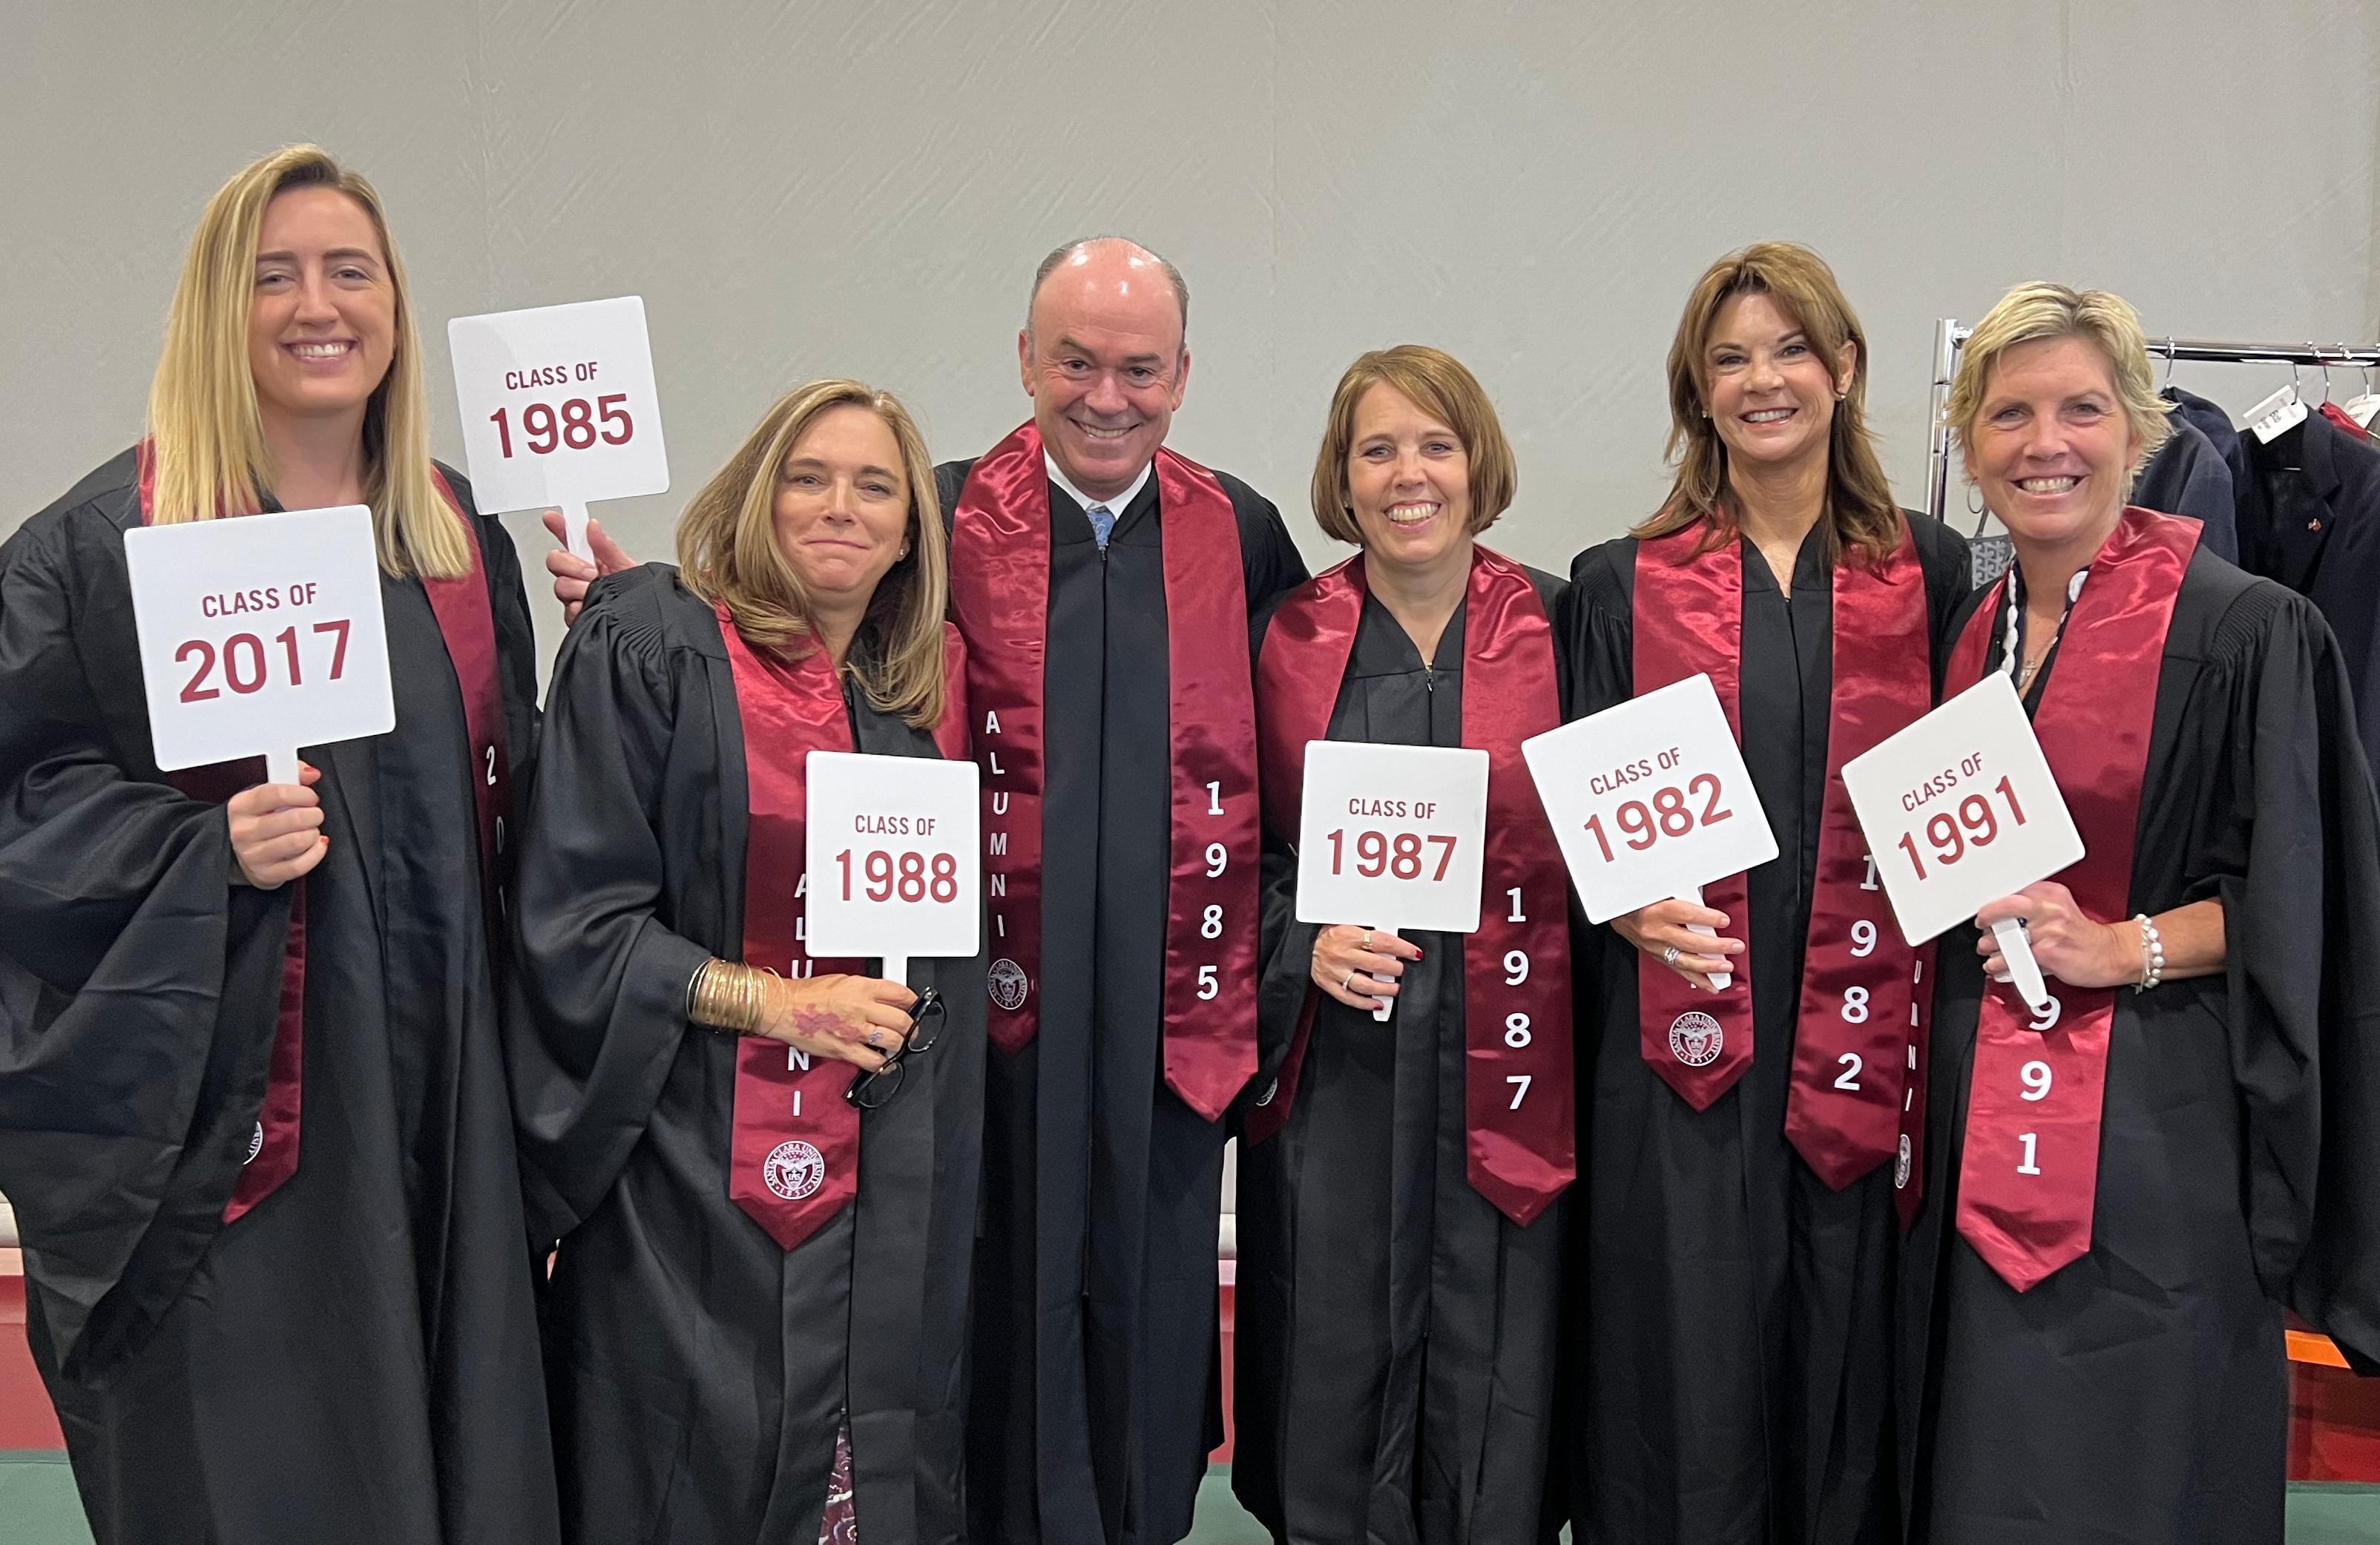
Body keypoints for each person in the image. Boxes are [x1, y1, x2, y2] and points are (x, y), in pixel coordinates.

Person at [0, 145, 555, 1544]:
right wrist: (194, 850)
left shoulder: (454, 539)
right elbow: (19, 798)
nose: (321, 305)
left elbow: (527, 810)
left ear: (393, 306)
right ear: (216, 310)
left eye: (351, 271)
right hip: (241, 1131)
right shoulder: (107, 541)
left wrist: (621, 637)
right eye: (276, 275)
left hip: (445, 1108)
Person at [1898, 283, 2380, 1544]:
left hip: (2155, 1130)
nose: (2044, 443)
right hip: (1974, 1106)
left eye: (2081, 409)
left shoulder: (2250, 629)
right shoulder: (1972, 634)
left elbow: (2310, 899)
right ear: (1968, 438)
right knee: (1986, 1458)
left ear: (2140, 427)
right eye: (2008, 413)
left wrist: (2127, 946)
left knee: (2138, 1454)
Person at [507, 378, 984, 1544]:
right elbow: (577, 923)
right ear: (758, 493)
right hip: (687, 1179)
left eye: (877, 485)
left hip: (880, 1187)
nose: (841, 507)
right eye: (810, 477)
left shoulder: (911, 699)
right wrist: (780, 1004)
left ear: (913, 529)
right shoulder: (657, 644)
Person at [1558, 242, 1970, 1544]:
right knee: (1685, 1342)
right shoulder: (1622, 582)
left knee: (1853, 1331)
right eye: (1730, 358)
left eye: (1792, 349)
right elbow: (1573, 825)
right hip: (1684, 1044)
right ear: (1698, 392)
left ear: (1844, 369)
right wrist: (1619, 903)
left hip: (1870, 1029)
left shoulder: (1936, 570)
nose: (1764, 380)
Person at [941, 237, 1308, 1545]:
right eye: (1078, 362)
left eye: (1139, 369)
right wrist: (626, 598)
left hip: (1168, 1015)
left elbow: (1302, 749)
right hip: (993, 1026)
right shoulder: (938, 520)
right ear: (1026, 361)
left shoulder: (1242, 532)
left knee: (1146, 1311)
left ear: (1185, 375)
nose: (1108, 396)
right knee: (998, 1298)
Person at [1234, 346, 1571, 1543]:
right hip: (1341, 1073)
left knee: (1497, 1364)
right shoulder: (1283, 641)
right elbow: (1224, 855)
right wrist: (1299, 940)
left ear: (1478, 463)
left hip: (1513, 1066)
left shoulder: (1567, 624)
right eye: (1378, 448)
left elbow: (1613, 845)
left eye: (1436, 444)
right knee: (1333, 1340)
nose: (1408, 474)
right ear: (1343, 474)